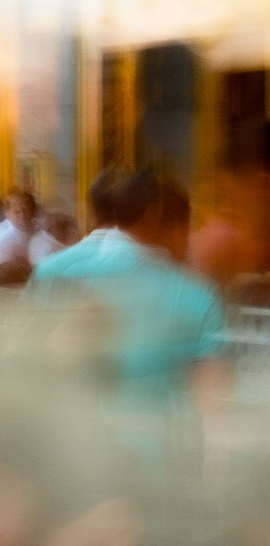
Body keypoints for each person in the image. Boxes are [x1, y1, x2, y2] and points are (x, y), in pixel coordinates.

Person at [28, 161, 225, 428]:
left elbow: (29, 367)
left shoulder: (53, 272)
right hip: (158, 453)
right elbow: (211, 402)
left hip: (67, 446)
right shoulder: (198, 296)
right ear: (167, 223)